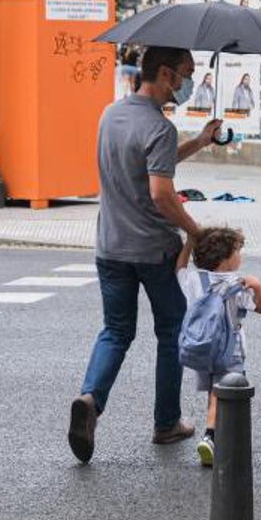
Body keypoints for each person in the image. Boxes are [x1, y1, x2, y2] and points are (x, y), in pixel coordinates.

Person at [67, 46, 223, 464]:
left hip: (110, 247)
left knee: (115, 332)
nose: (188, 84)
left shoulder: (110, 114)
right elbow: (160, 192)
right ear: (167, 74)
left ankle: (90, 399)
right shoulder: (158, 126)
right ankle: (166, 422)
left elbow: (148, 164)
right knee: (171, 333)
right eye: (186, 75)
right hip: (154, 250)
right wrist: (195, 230)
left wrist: (200, 142)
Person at [176, 226, 261, 467]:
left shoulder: (195, 280)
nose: (240, 256)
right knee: (228, 395)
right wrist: (256, 286)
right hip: (230, 350)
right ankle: (214, 438)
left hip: (201, 348)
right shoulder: (236, 283)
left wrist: (188, 244)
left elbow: (179, 270)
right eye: (237, 251)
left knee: (214, 395)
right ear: (225, 257)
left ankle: (215, 439)